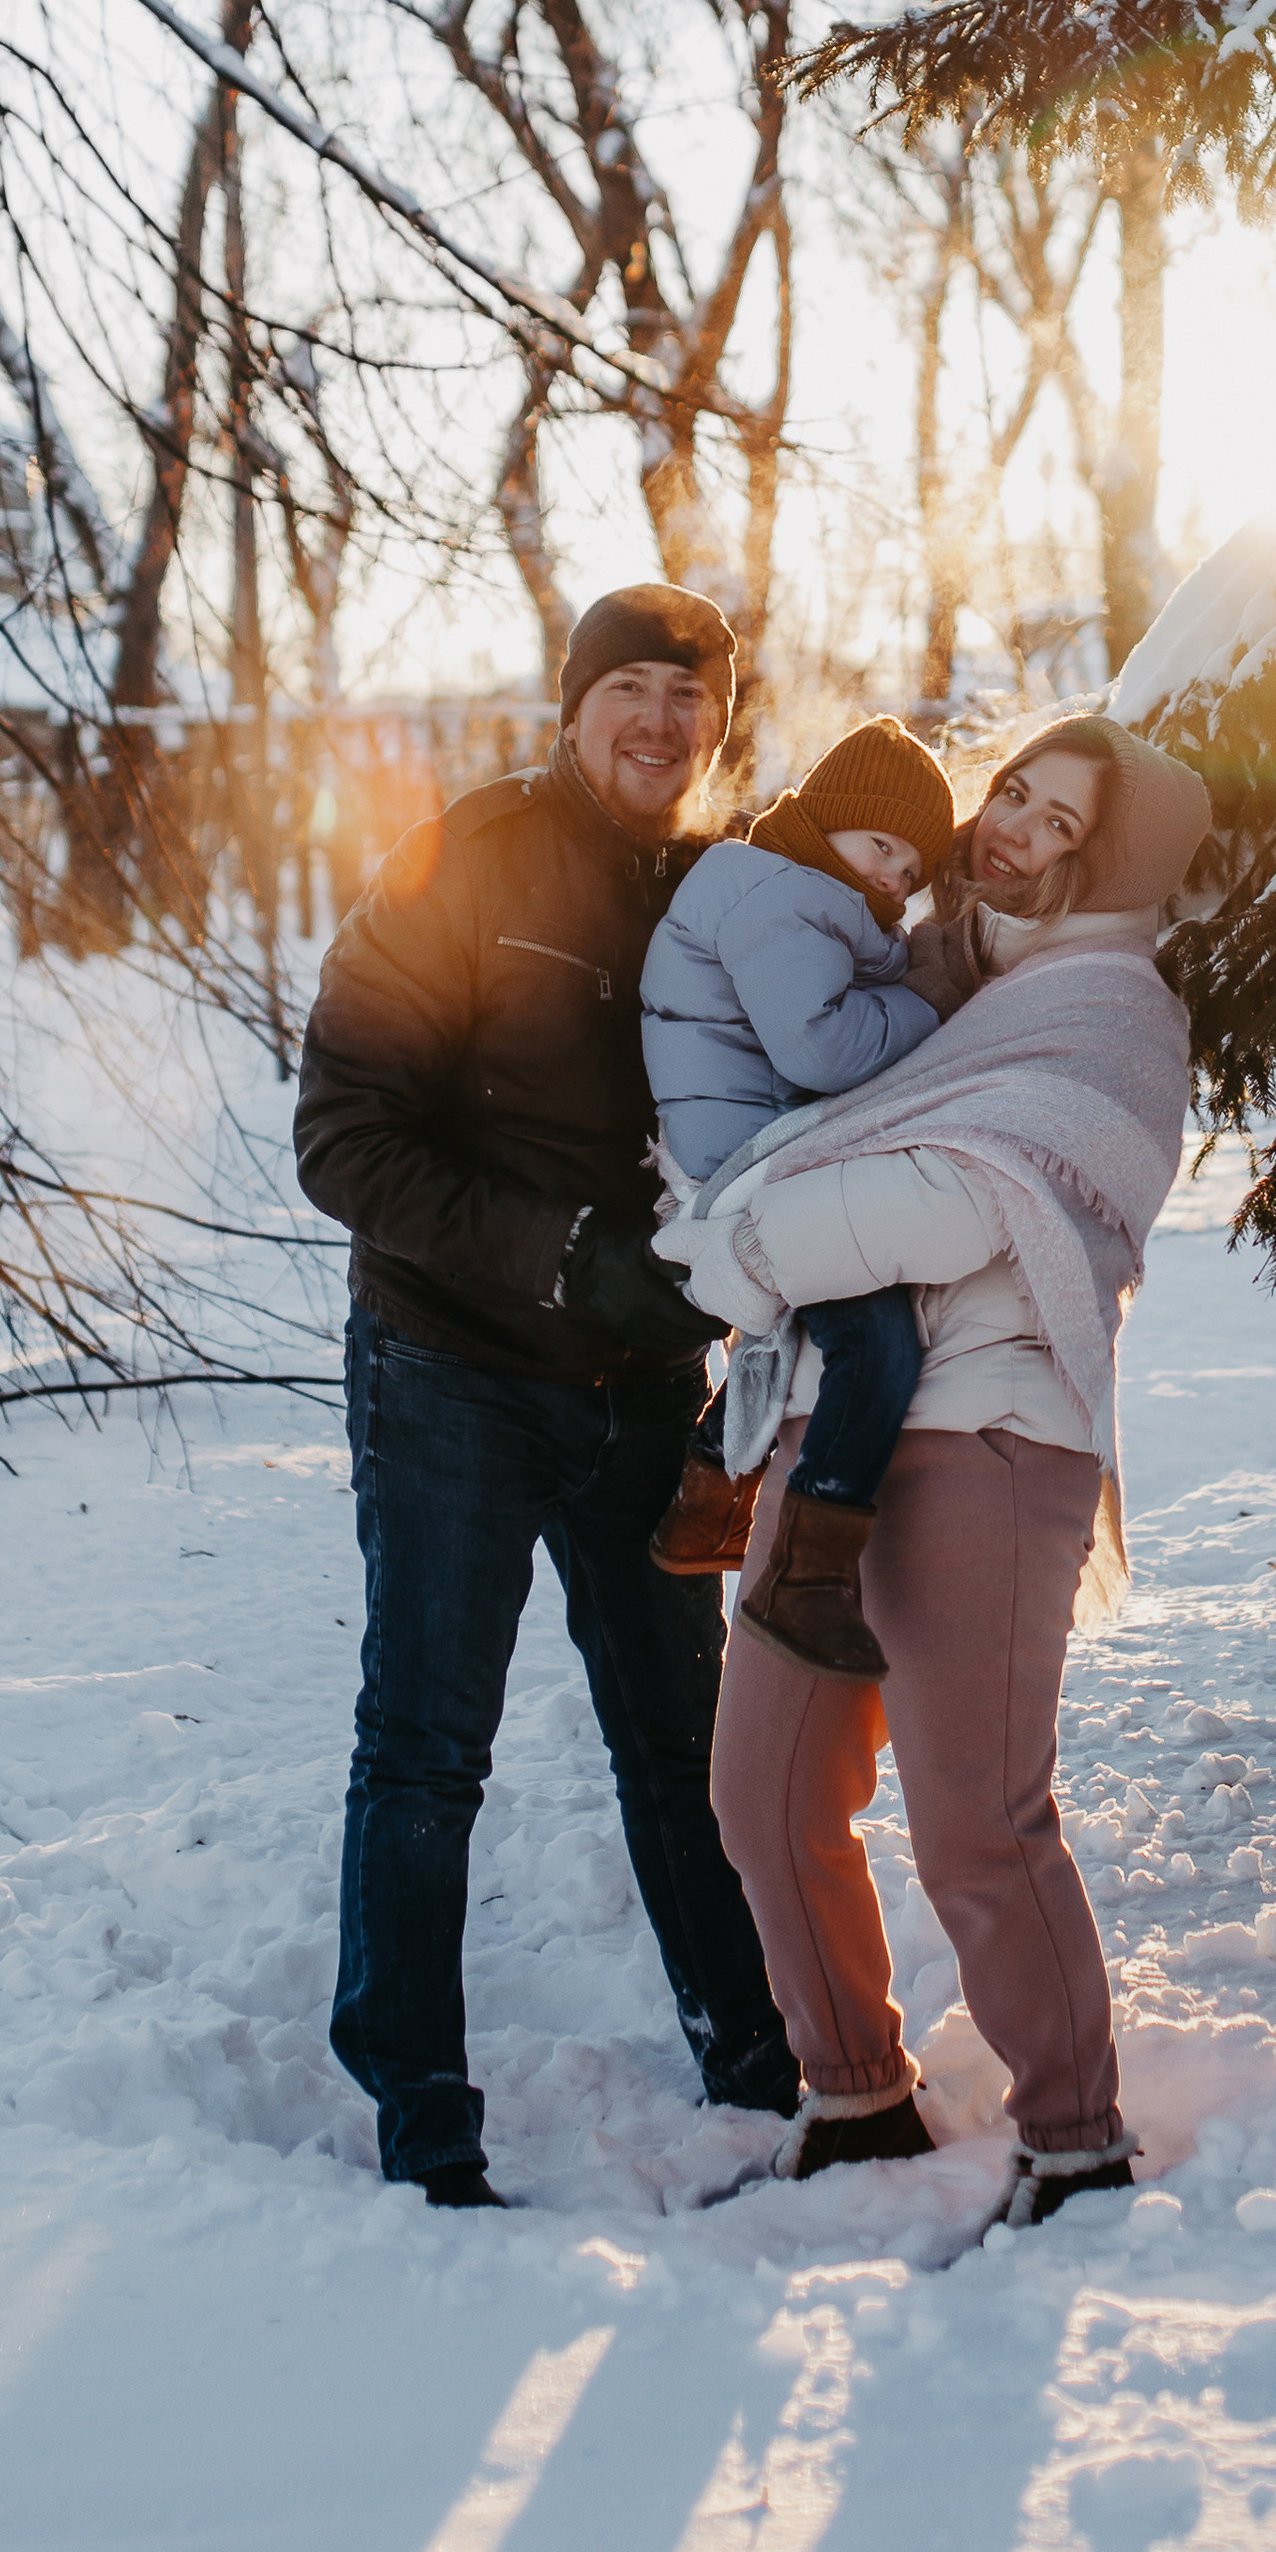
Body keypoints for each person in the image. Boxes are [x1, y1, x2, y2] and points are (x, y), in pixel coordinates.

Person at [662, 716, 1210, 2220]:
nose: (1011, 825)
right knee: (762, 1791)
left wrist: (736, 1238)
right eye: (1013, 792)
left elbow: (960, 1200)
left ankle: (1076, 2140)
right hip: (825, 1431)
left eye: (1055, 820)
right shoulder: (932, 982)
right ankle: (854, 2102)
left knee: (977, 1813)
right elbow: (826, 1126)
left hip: (989, 1434)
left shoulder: (1111, 1017)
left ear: (1110, 864)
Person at [293, 584, 799, 2207]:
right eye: (629, 688)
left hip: (651, 1397)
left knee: (686, 1745)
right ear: (572, 706)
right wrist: (566, 1252)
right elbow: (345, 1138)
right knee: (430, 1743)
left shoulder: (734, 893)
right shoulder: (473, 857)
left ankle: (756, 2063)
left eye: (689, 693)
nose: (660, 720)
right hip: (455, 1370)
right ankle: (419, 2102)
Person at [639, 715, 959, 1654]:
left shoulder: (784, 891)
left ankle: (705, 1508)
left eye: (911, 871)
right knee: (876, 1331)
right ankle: (805, 1579)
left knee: (795, 1323)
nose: (894, 880)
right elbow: (820, 1047)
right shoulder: (787, 897)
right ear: (824, 823)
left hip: (736, 1145)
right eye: (882, 848)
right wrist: (932, 997)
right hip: (745, 1156)